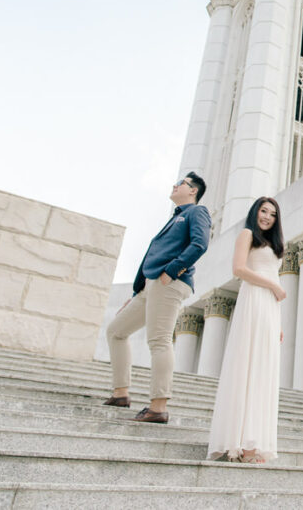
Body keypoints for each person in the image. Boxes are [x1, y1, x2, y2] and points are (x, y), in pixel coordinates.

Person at [103, 172, 210, 424]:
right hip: (149, 286)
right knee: (116, 331)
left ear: (193, 191)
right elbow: (151, 253)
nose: (175, 185)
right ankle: (121, 393)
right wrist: (137, 291)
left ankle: (158, 406)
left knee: (159, 340)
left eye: (181, 183)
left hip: (169, 282)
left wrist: (172, 271)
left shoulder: (197, 212)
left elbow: (200, 244)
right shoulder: (174, 218)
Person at [207, 196, 286, 463]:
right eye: (263, 211)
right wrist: (272, 286)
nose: (267, 217)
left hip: (270, 309)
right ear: (255, 212)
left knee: (263, 370)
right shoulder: (247, 234)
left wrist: (279, 322)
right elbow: (239, 269)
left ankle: (256, 442)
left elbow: (274, 277)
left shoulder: (275, 245)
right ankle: (242, 443)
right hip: (253, 300)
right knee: (248, 365)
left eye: (272, 214)